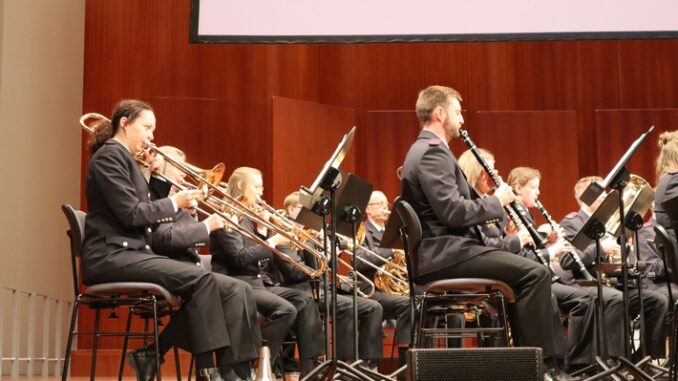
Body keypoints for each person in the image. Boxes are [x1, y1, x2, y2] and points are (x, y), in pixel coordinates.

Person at [82, 100, 256, 381]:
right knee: (203, 281)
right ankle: (209, 373)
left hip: (133, 254)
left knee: (232, 288)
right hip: (110, 256)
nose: (152, 136)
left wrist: (159, 182)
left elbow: (147, 206)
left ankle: (234, 371)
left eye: (154, 129)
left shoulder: (127, 160)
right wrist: (174, 202)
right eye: (147, 127)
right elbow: (132, 214)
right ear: (124, 124)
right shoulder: (109, 157)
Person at [400, 85, 559, 379]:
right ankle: (538, 369)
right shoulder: (431, 154)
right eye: (458, 113)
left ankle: (523, 364)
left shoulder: (425, 151)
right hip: (446, 255)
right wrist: (496, 201)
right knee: (536, 273)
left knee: (530, 269)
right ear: (440, 113)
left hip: (448, 252)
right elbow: (454, 213)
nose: (462, 121)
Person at [124, 146, 263, 381]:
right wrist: (205, 224)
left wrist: (193, 217)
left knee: (240, 290)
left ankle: (237, 367)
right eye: (179, 169)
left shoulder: (175, 200)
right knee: (227, 291)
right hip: (165, 267)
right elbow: (164, 239)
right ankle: (219, 370)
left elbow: (186, 237)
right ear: (162, 167)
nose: (184, 176)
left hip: (188, 268)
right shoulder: (158, 198)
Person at [210, 168, 324, 379]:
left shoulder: (246, 218)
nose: (261, 193)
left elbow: (256, 255)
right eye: (257, 187)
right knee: (286, 310)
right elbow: (240, 259)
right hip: (237, 285)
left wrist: (263, 230)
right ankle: (258, 364)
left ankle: (310, 371)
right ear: (242, 186)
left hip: (258, 283)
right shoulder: (228, 215)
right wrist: (272, 241)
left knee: (305, 300)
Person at [560, 176, 668, 360]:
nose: (606, 200)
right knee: (617, 300)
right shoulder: (571, 223)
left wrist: (624, 248)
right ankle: (615, 362)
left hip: (616, 282)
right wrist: (601, 248)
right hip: (588, 284)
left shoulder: (610, 223)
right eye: (601, 196)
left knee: (657, 301)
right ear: (586, 197)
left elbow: (623, 253)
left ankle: (645, 359)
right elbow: (567, 260)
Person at [504, 167, 598, 371]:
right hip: (524, 280)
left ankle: (577, 362)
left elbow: (531, 250)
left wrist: (548, 241)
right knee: (565, 299)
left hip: (539, 275)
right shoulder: (511, 214)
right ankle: (560, 364)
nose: (538, 193)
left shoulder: (525, 213)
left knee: (586, 299)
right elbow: (516, 256)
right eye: (534, 188)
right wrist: (552, 251)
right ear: (519, 188)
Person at [280, 191, 384, 366]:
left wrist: (332, 254)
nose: (310, 215)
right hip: (300, 292)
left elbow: (329, 271)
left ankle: (367, 364)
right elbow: (295, 273)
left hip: (322, 290)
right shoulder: (284, 234)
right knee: (348, 306)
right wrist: (325, 257)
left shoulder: (309, 232)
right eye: (305, 210)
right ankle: (343, 364)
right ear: (291, 210)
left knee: (373, 307)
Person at [355, 191, 412, 362]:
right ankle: (404, 363)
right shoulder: (361, 230)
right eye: (379, 204)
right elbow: (359, 260)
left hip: (394, 288)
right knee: (408, 304)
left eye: (385, 204)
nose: (384, 208)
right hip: (371, 289)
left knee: (422, 300)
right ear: (368, 210)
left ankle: (417, 361)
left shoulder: (396, 231)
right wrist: (392, 250)